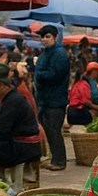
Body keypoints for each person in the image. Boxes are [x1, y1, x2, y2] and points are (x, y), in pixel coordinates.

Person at [34, 24, 70, 171]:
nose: (44, 40)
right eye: (42, 37)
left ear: (56, 37)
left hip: (56, 100)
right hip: (44, 100)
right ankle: (55, 158)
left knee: (54, 130)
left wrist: (39, 73)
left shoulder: (59, 54)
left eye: (47, 36)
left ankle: (60, 161)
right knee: (49, 130)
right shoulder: (45, 53)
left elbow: (55, 75)